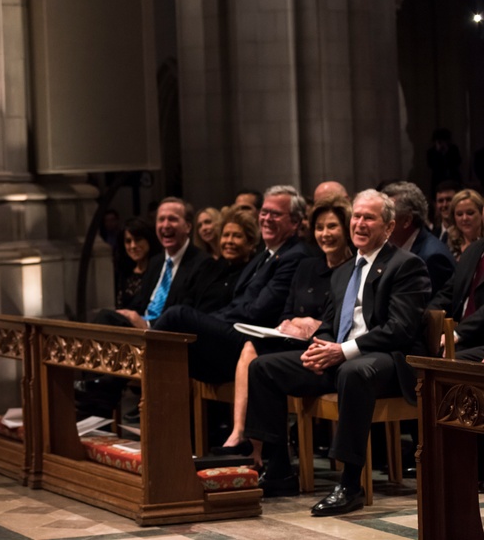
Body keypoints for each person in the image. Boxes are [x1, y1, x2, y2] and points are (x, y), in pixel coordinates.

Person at [245, 190, 431, 516]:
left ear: (388, 227)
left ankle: (350, 483)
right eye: (356, 216)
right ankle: (277, 470)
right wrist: (319, 348)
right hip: (340, 356)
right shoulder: (344, 270)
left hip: (387, 359)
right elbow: (330, 324)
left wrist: (342, 351)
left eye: (368, 218)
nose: (359, 223)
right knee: (263, 367)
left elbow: (399, 329)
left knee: (352, 371)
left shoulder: (406, 265)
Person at [216, 196, 353, 457]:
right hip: (294, 342)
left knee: (263, 369)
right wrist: (294, 323)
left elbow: (344, 323)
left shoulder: (352, 270)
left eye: (332, 227)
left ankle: (261, 456)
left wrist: (314, 325)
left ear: (346, 229)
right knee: (250, 348)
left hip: (327, 350)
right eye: (320, 228)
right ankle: (242, 440)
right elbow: (288, 312)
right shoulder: (307, 265)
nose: (325, 234)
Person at [153, 185, 310, 383]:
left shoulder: (294, 256)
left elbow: (259, 311)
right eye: (264, 212)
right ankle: (173, 409)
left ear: (295, 222)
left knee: (178, 316)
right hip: (234, 330)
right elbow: (238, 302)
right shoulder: (265, 255)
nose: (267, 219)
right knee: (181, 354)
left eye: (276, 214)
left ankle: (143, 374)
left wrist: (211, 322)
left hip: (253, 341)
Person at [104, 198, 206, 328]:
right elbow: (140, 303)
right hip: (139, 330)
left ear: (188, 226)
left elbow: (187, 314)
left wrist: (147, 324)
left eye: (172, 219)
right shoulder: (156, 262)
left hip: (168, 335)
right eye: (161, 219)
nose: (165, 225)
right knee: (106, 318)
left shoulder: (202, 263)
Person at [381, 180, 455, 294]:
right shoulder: (391, 249)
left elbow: (434, 308)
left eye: (388, 215)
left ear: (407, 220)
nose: (381, 221)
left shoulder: (433, 258)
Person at [182, 208, 259, 313]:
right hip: (192, 323)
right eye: (226, 235)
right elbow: (189, 299)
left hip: (223, 325)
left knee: (175, 314)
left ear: (250, 243)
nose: (229, 241)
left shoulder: (253, 273)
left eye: (237, 236)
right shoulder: (208, 266)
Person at [447, 189, 484, 261]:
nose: (464, 218)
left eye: (470, 213)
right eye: (459, 214)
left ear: (481, 214)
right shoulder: (450, 244)